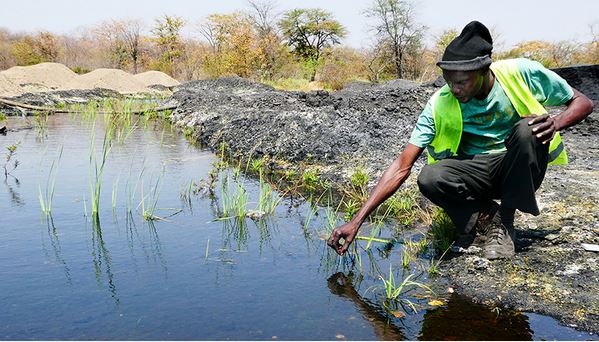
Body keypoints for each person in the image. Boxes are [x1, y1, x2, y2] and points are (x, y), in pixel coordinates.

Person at [327, 21, 594, 259]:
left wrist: (555, 122)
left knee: (527, 129)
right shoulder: (439, 103)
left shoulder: (520, 72)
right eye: (449, 81)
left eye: (462, 82)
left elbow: (583, 102)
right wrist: (357, 220)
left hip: (517, 167)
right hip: (474, 174)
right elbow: (401, 166)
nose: (454, 89)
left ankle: (505, 223)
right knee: (429, 176)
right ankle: (487, 217)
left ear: (484, 70)